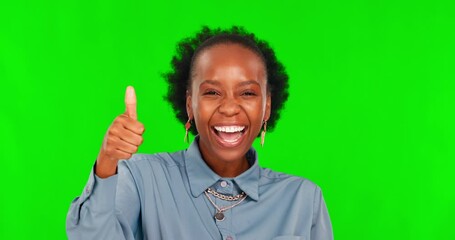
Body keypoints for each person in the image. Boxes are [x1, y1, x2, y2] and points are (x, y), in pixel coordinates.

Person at [66, 26, 333, 240]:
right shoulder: (140, 178)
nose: (229, 108)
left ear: (267, 107)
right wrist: (107, 161)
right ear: (189, 104)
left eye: (248, 93)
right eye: (212, 92)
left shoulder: (303, 199)